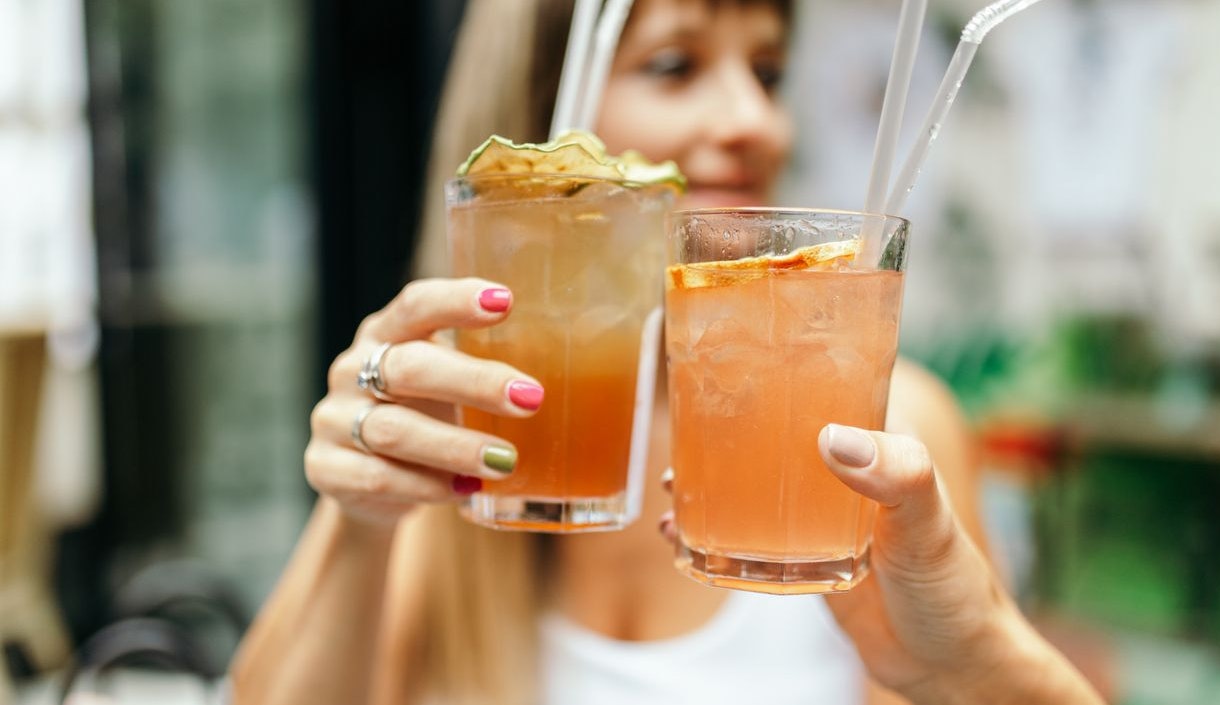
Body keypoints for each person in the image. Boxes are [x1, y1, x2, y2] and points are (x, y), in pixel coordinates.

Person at [231, 1, 1104, 704]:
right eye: (674, 63)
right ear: (540, 125)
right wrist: (356, 517)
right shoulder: (449, 432)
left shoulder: (883, 439)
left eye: (767, 71)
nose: (757, 120)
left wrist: (979, 669)